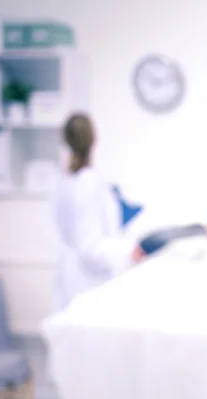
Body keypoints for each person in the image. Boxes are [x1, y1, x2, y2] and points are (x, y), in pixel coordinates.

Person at [52, 113, 145, 311]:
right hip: (88, 282)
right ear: (94, 139)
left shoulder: (64, 180)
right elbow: (91, 247)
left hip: (71, 277)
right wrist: (130, 250)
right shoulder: (88, 183)